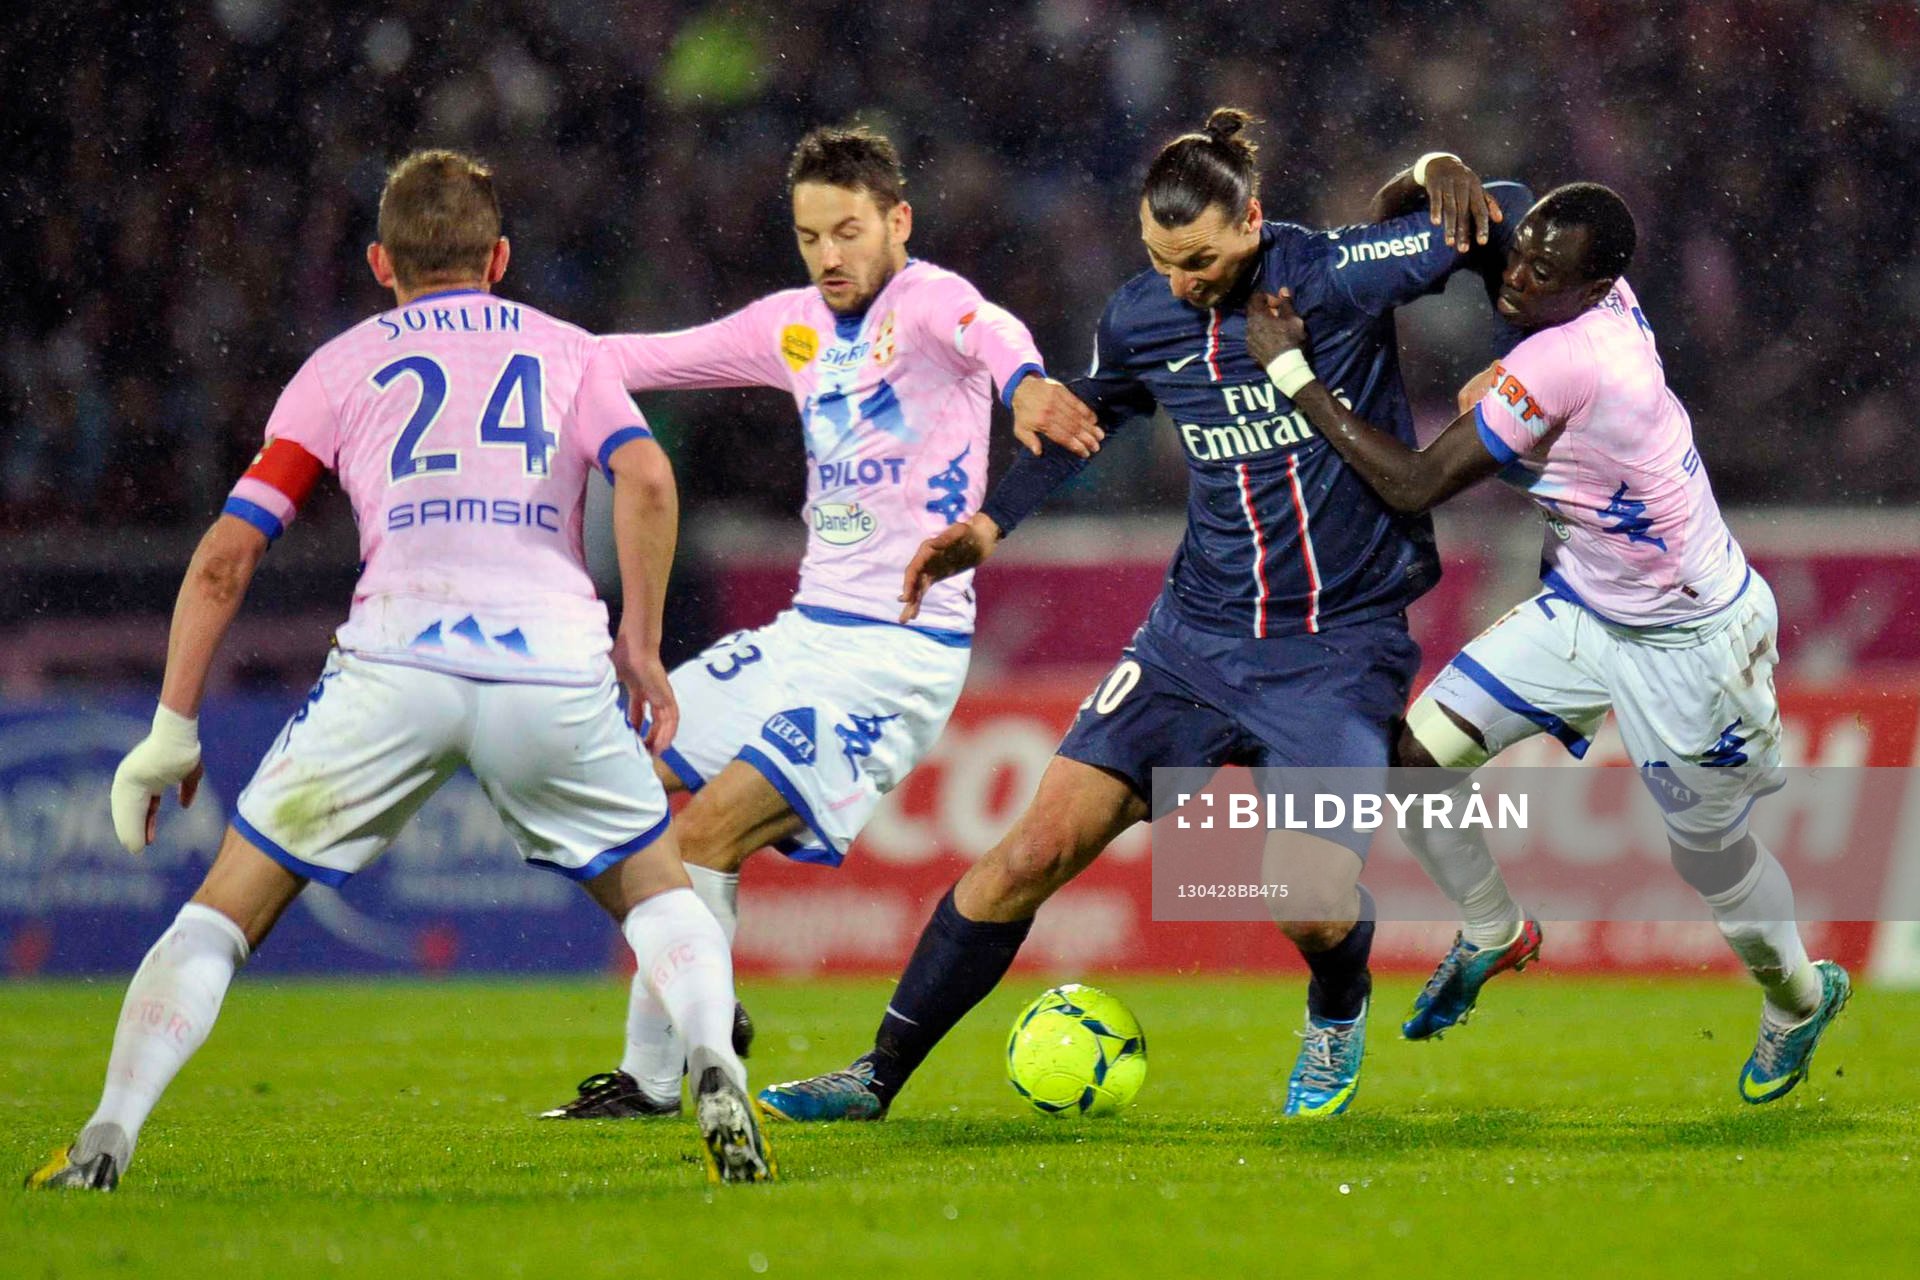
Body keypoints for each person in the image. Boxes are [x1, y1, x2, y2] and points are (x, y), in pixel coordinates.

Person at [755, 109, 1531, 1123]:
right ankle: (875, 1074)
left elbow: (1507, 215)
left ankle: (1337, 1002)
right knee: (1031, 851)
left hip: (1338, 647)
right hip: (1191, 639)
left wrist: (1441, 169)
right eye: (1162, 261)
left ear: (1253, 218)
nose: (1183, 283)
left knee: (1301, 893)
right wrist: (988, 524)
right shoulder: (1142, 317)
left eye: (1202, 259)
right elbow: (1086, 421)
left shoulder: (1337, 273)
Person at [26, 150, 772, 1190]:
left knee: (221, 909)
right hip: (546, 663)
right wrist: (640, 644)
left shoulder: (338, 366)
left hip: (395, 662)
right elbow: (645, 474)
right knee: (655, 890)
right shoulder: (565, 349)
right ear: (499, 257)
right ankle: (712, 1060)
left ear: (381, 262)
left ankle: (108, 1133)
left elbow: (227, 553)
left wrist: (174, 724)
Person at [1241, 181, 1849, 1103]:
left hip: (1692, 643)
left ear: (1598, 283)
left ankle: (1799, 999)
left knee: (1709, 857)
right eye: (1521, 253)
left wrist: (1293, 376)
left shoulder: (1574, 360)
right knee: (1414, 761)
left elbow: (1410, 485)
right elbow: (1494, 219)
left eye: (1543, 270)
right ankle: (1493, 928)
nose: (1516, 278)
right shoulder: (1585, 294)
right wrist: (1434, 169)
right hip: (1589, 609)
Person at [539, 125, 1098, 1120]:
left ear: (897, 221)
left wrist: (1028, 387)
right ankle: (704, 987)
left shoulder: (929, 305)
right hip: (799, 636)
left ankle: (654, 1078)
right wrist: (510, 353)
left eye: (847, 231)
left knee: (706, 832)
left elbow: (993, 331)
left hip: (892, 656)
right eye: (809, 237)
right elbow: (638, 356)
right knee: (576, 778)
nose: (830, 256)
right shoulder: (791, 325)